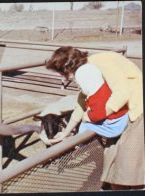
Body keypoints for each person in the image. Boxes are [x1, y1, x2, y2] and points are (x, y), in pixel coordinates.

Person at [45, 46, 144, 190]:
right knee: (111, 160)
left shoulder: (100, 64)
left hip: (137, 109)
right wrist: (65, 133)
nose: (62, 77)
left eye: (61, 72)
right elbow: (81, 103)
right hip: (122, 113)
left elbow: (122, 92)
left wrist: (94, 116)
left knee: (130, 166)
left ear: (68, 66)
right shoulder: (86, 71)